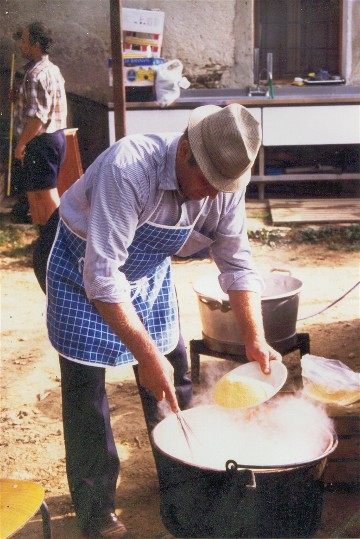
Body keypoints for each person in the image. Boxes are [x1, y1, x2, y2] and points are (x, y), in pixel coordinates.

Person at [34, 103, 282, 538]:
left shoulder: (223, 184)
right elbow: (103, 276)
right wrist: (144, 355)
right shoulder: (129, 169)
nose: (211, 193)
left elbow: (237, 265)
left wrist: (254, 339)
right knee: (86, 389)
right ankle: (97, 514)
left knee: (175, 377)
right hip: (79, 262)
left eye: (221, 185)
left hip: (146, 270)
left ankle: (184, 489)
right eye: (206, 181)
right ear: (184, 149)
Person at [12, 21, 67, 226]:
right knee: (35, 195)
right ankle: (44, 241)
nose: (20, 46)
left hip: (41, 141)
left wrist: (21, 144)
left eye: (24, 41)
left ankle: (57, 239)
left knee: (45, 195)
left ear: (36, 45)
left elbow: (38, 117)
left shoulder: (35, 75)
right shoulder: (51, 69)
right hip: (52, 139)